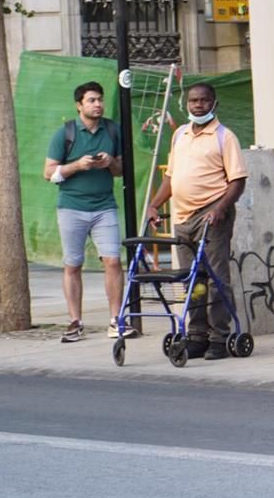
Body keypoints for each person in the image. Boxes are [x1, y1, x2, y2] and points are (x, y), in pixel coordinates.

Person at [144, 82, 247, 361]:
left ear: (214, 104)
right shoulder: (180, 135)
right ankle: (197, 335)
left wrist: (221, 208)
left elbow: (237, 181)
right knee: (192, 280)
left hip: (212, 214)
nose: (198, 105)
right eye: (193, 101)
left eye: (204, 100)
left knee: (215, 278)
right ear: (186, 104)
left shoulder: (225, 137)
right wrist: (155, 204)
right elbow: (171, 177)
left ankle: (219, 337)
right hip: (182, 217)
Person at [43, 81, 126, 344]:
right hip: (71, 207)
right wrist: (77, 165)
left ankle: (115, 320)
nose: (98, 104)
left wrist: (110, 162)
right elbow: (49, 173)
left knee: (112, 261)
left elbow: (121, 169)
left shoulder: (112, 130)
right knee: (72, 264)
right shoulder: (65, 133)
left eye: (100, 99)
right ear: (79, 105)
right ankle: (75, 321)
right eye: (91, 100)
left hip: (105, 206)